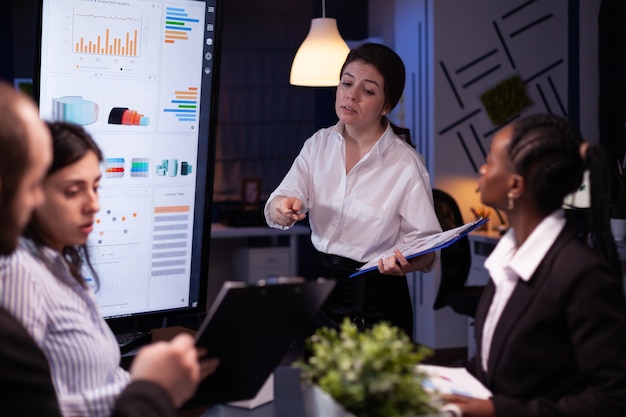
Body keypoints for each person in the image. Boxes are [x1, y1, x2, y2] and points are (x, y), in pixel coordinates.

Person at [0, 81, 217, 417]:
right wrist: (150, 389)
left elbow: (99, 378)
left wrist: (159, 387)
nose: (93, 204)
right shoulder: (18, 272)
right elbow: (32, 403)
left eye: (96, 187)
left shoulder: (61, 266)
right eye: (73, 191)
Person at [447, 113, 626, 417]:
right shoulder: (508, 261)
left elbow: (613, 401)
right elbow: (496, 365)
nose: (482, 169)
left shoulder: (581, 275)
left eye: (490, 161)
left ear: (515, 186)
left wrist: (496, 411)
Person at [264, 43, 441, 336]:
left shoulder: (406, 163)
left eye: (368, 91)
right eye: (346, 83)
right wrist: (283, 207)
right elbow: (278, 202)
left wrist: (406, 264)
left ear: (386, 105)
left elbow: (428, 251)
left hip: (378, 301)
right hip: (323, 292)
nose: (351, 95)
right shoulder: (317, 144)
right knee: (318, 379)